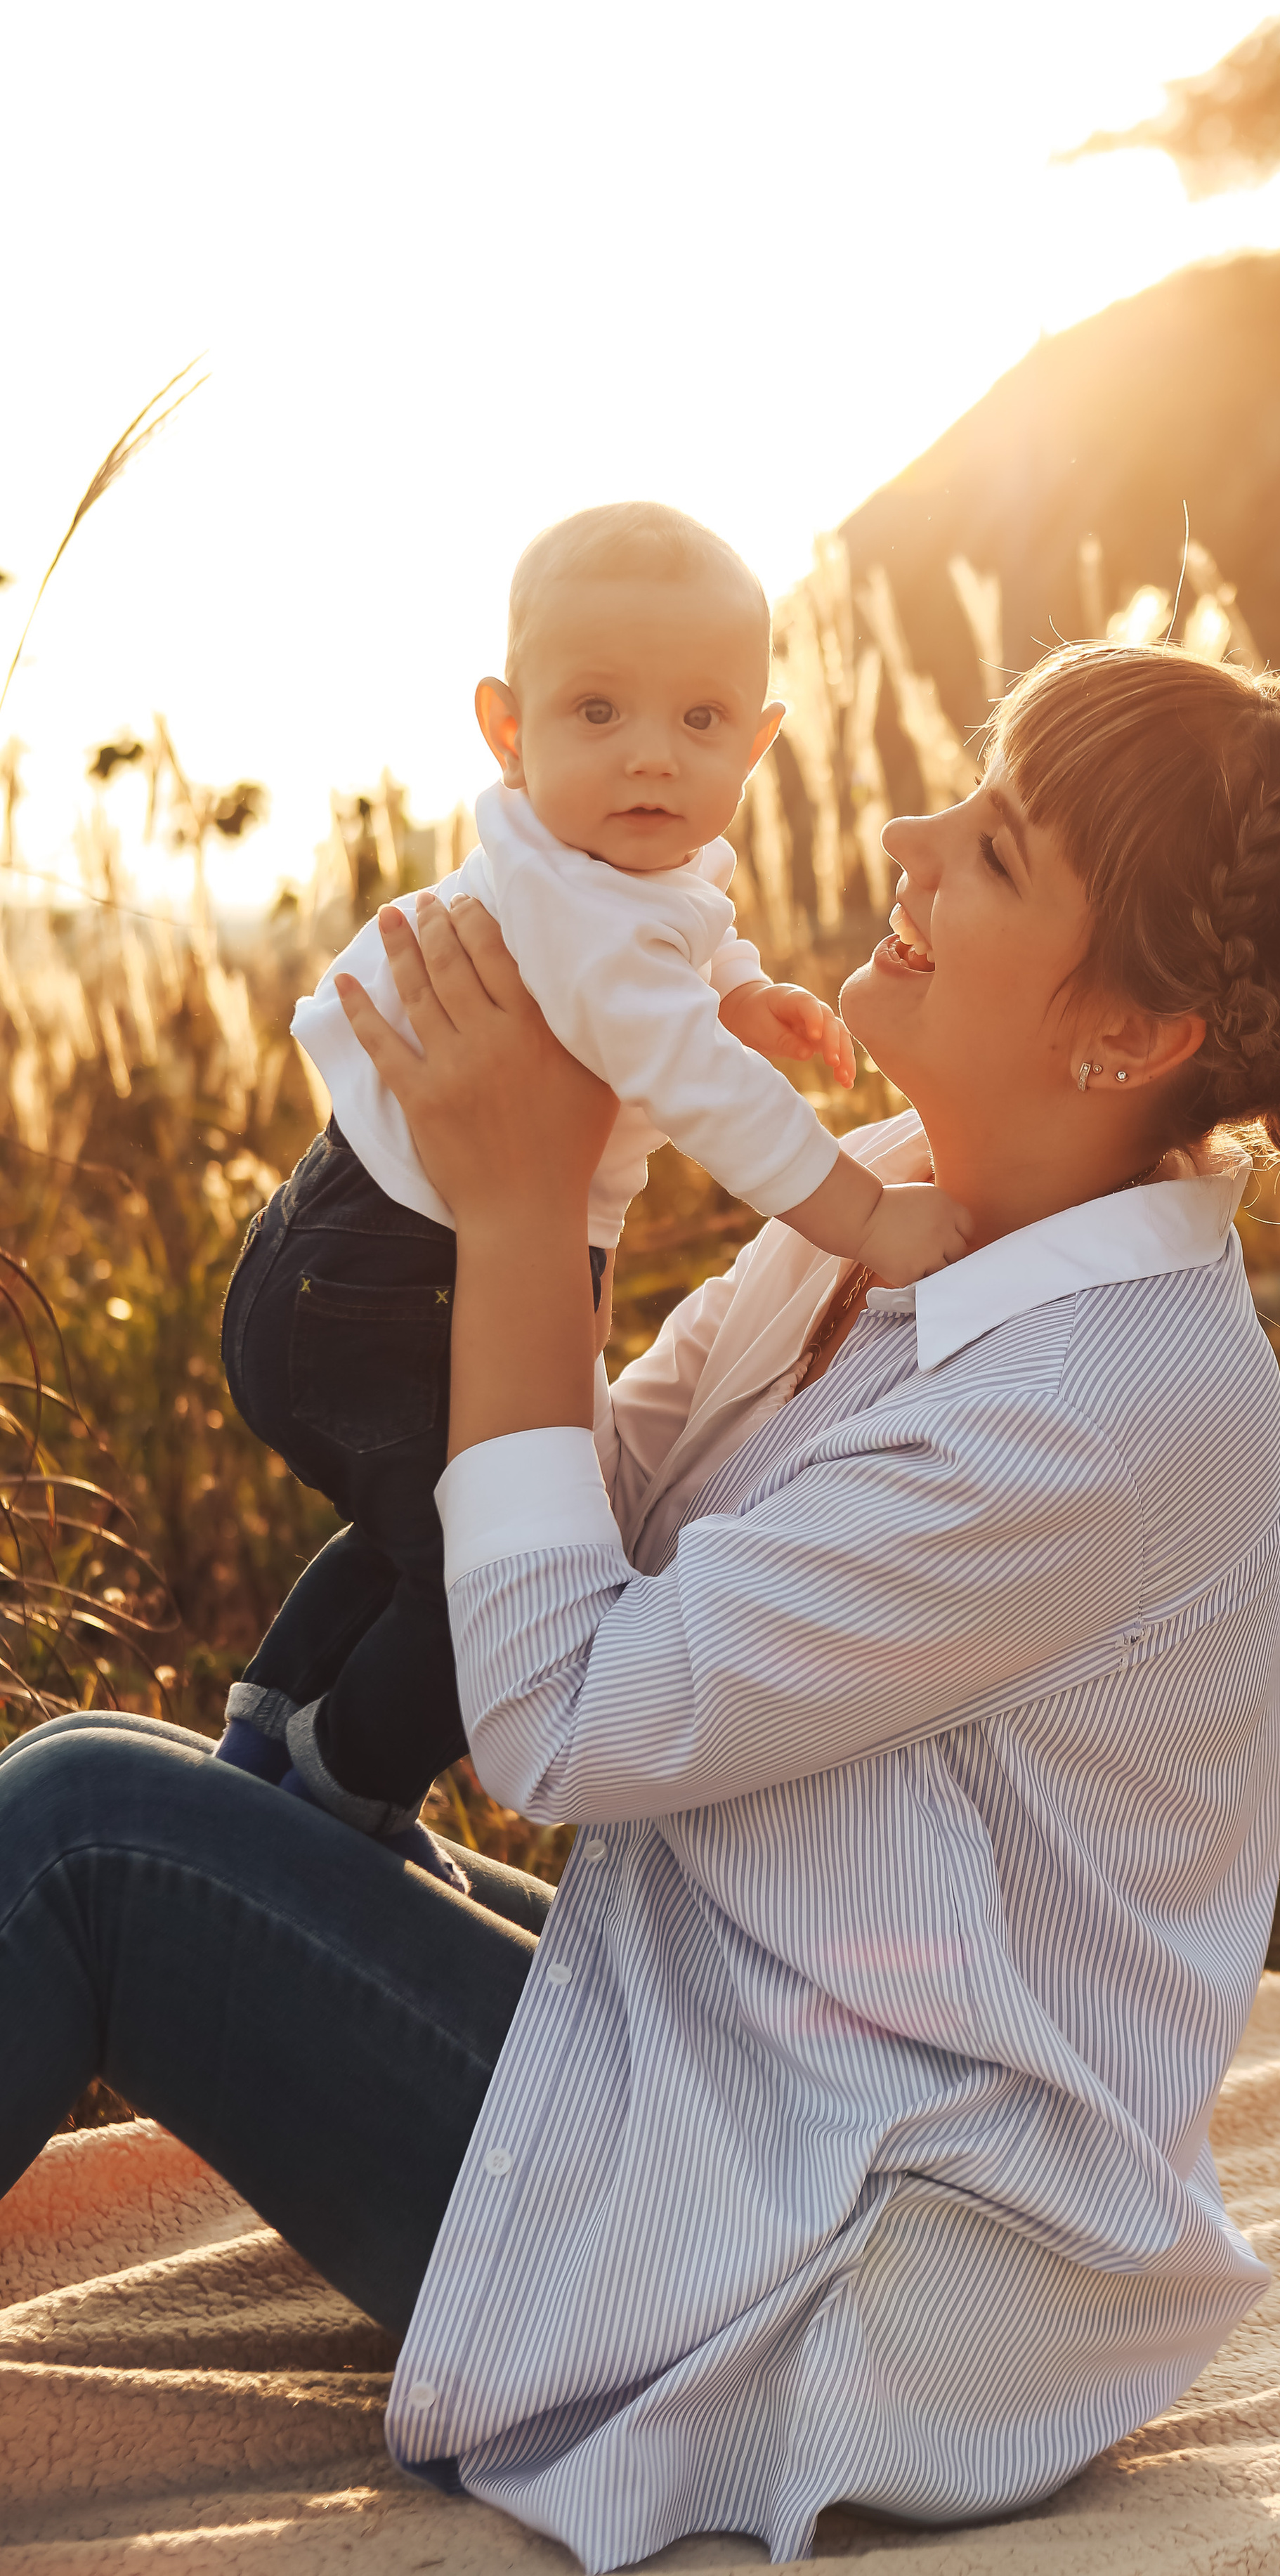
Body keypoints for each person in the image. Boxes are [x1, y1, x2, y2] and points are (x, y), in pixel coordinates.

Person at [0, 642, 1280, 2574]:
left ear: (1132, 1036)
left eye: (994, 851)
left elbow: (561, 1723)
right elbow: (597, 1496)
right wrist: (543, 1145)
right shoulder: (894, 1188)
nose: (909, 840)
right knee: (193, 1796)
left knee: (96, 1837)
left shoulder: (1099, 1408)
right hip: (747, 2048)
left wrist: (522, 1221)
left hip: (842, 2241)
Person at [214, 502, 968, 1878]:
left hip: (359, 1257)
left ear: (756, 742)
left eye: (696, 724)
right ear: (507, 728)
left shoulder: (614, 870)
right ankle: (339, 1801)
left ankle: (267, 1731)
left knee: (435, 1523)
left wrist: (744, 991)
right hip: (384, 1277)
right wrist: (860, 1217)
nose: (646, 758)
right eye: (598, 710)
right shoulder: (570, 902)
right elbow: (677, 1069)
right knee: (479, 1574)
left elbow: (685, 951)